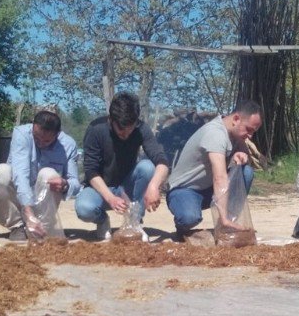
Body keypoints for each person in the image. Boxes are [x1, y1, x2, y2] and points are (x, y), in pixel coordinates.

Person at [163, 101, 262, 241]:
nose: (250, 135)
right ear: (236, 119)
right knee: (189, 218)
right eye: (248, 129)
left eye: (253, 131)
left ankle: (228, 223)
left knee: (246, 172)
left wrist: (240, 154)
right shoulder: (216, 134)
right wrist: (224, 219)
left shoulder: (235, 133)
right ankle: (186, 226)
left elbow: (244, 159)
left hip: (208, 189)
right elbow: (220, 178)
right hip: (184, 190)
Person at [75, 93, 167, 240]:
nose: (126, 134)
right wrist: (111, 198)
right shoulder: (96, 129)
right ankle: (102, 220)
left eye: (130, 129)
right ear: (111, 119)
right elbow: (90, 171)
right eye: (121, 130)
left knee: (148, 167)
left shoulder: (141, 129)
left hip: (126, 186)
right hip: (100, 188)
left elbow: (161, 160)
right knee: (84, 208)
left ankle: (134, 222)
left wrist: (154, 186)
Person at [0, 110, 80, 241]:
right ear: (33, 126)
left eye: (47, 140)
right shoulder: (21, 134)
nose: (40, 143)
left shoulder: (68, 144)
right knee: (1, 171)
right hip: (20, 200)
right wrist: (28, 213)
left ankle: (42, 226)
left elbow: (75, 182)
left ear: (57, 134)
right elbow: (20, 174)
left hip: (44, 206)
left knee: (48, 173)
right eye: (36, 137)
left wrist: (65, 184)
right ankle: (17, 226)